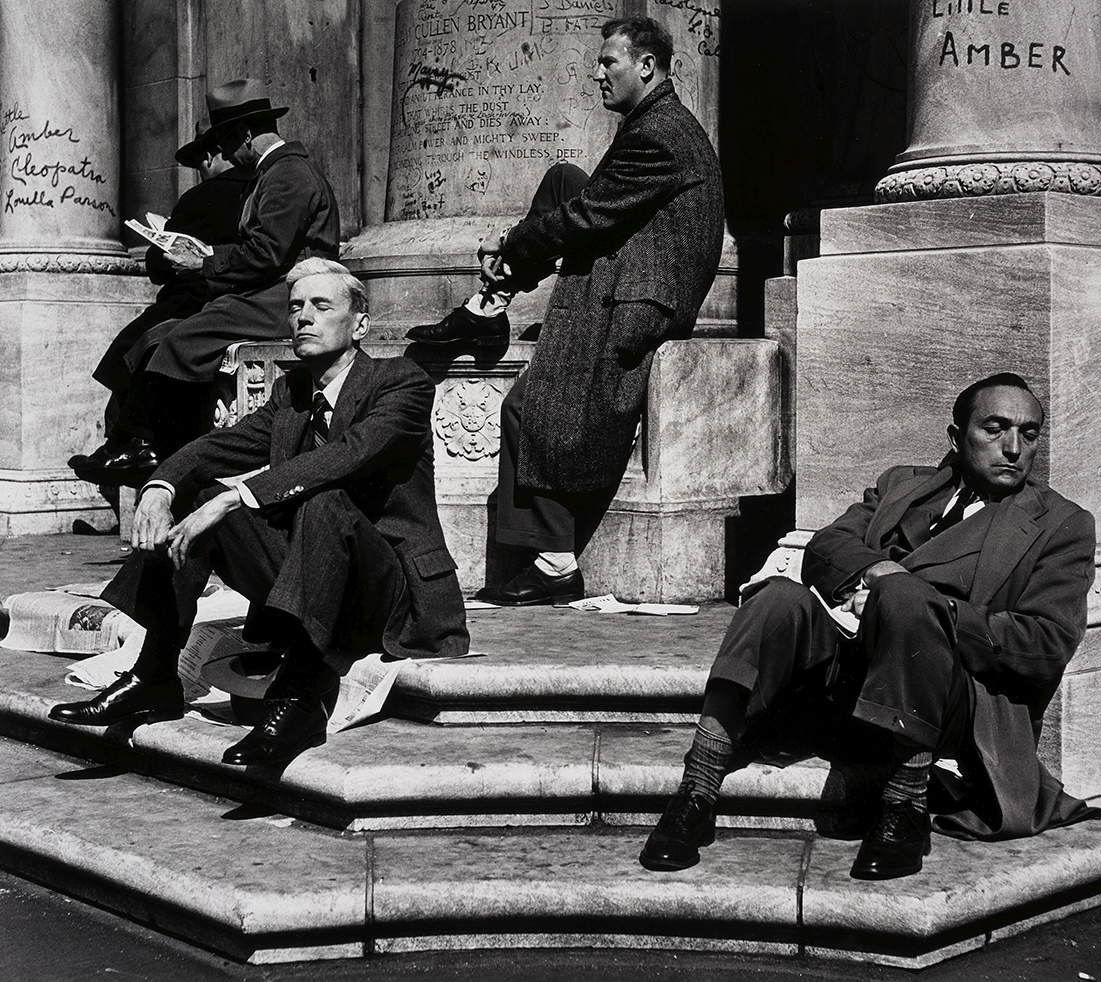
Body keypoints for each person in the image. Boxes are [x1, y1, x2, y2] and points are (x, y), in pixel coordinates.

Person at [639, 373, 1101, 880]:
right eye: (995, 429)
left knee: (905, 597)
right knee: (777, 600)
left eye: (1029, 434)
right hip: (850, 680)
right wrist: (873, 572)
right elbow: (828, 544)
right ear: (956, 437)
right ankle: (696, 793)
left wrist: (932, 611)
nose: (1013, 448)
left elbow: (1046, 644)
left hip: (950, 702)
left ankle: (903, 808)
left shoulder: (1061, 524)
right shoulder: (900, 485)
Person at [50, 259, 469, 767]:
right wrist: (159, 487)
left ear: (360, 324)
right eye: (295, 308)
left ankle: (299, 698)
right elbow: (215, 447)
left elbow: (346, 456)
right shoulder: (291, 396)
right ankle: (155, 675)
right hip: (311, 576)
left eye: (321, 306)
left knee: (321, 497)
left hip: (387, 591)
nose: (303, 318)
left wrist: (235, 497)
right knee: (193, 492)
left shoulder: (401, 381)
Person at [408, 17, 725, 606]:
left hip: (641, 300)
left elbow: (590, 219)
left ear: (647, 67)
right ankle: (489, 304)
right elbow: (587, 206)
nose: (596, 72)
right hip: (638, 269)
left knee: (528, 408)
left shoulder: (659, 136)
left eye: (610, 62)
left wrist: (511, 245)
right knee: (561, 181)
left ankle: (554, 563)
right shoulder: (654, 122)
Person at [72, 77, 340, 486]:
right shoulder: (277, 172)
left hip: (291, 295)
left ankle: (146, 447)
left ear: (244, 135)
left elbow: (266, 253)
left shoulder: (287, 173)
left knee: (185, 337)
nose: (228, 156)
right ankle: (141, 447)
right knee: (166, 334)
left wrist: (204, 262)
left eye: (227, 144)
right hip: (273, 290)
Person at [71, 124, 252, 475]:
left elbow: (157, 265)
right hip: (238, 298)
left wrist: (164, 240)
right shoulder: (261, 189)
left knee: (138, 345)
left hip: (193, 300)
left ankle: (130, 444)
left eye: (200, 162)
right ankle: (130, 444)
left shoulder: (201, 197)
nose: (201, 172)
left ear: (212, 156)